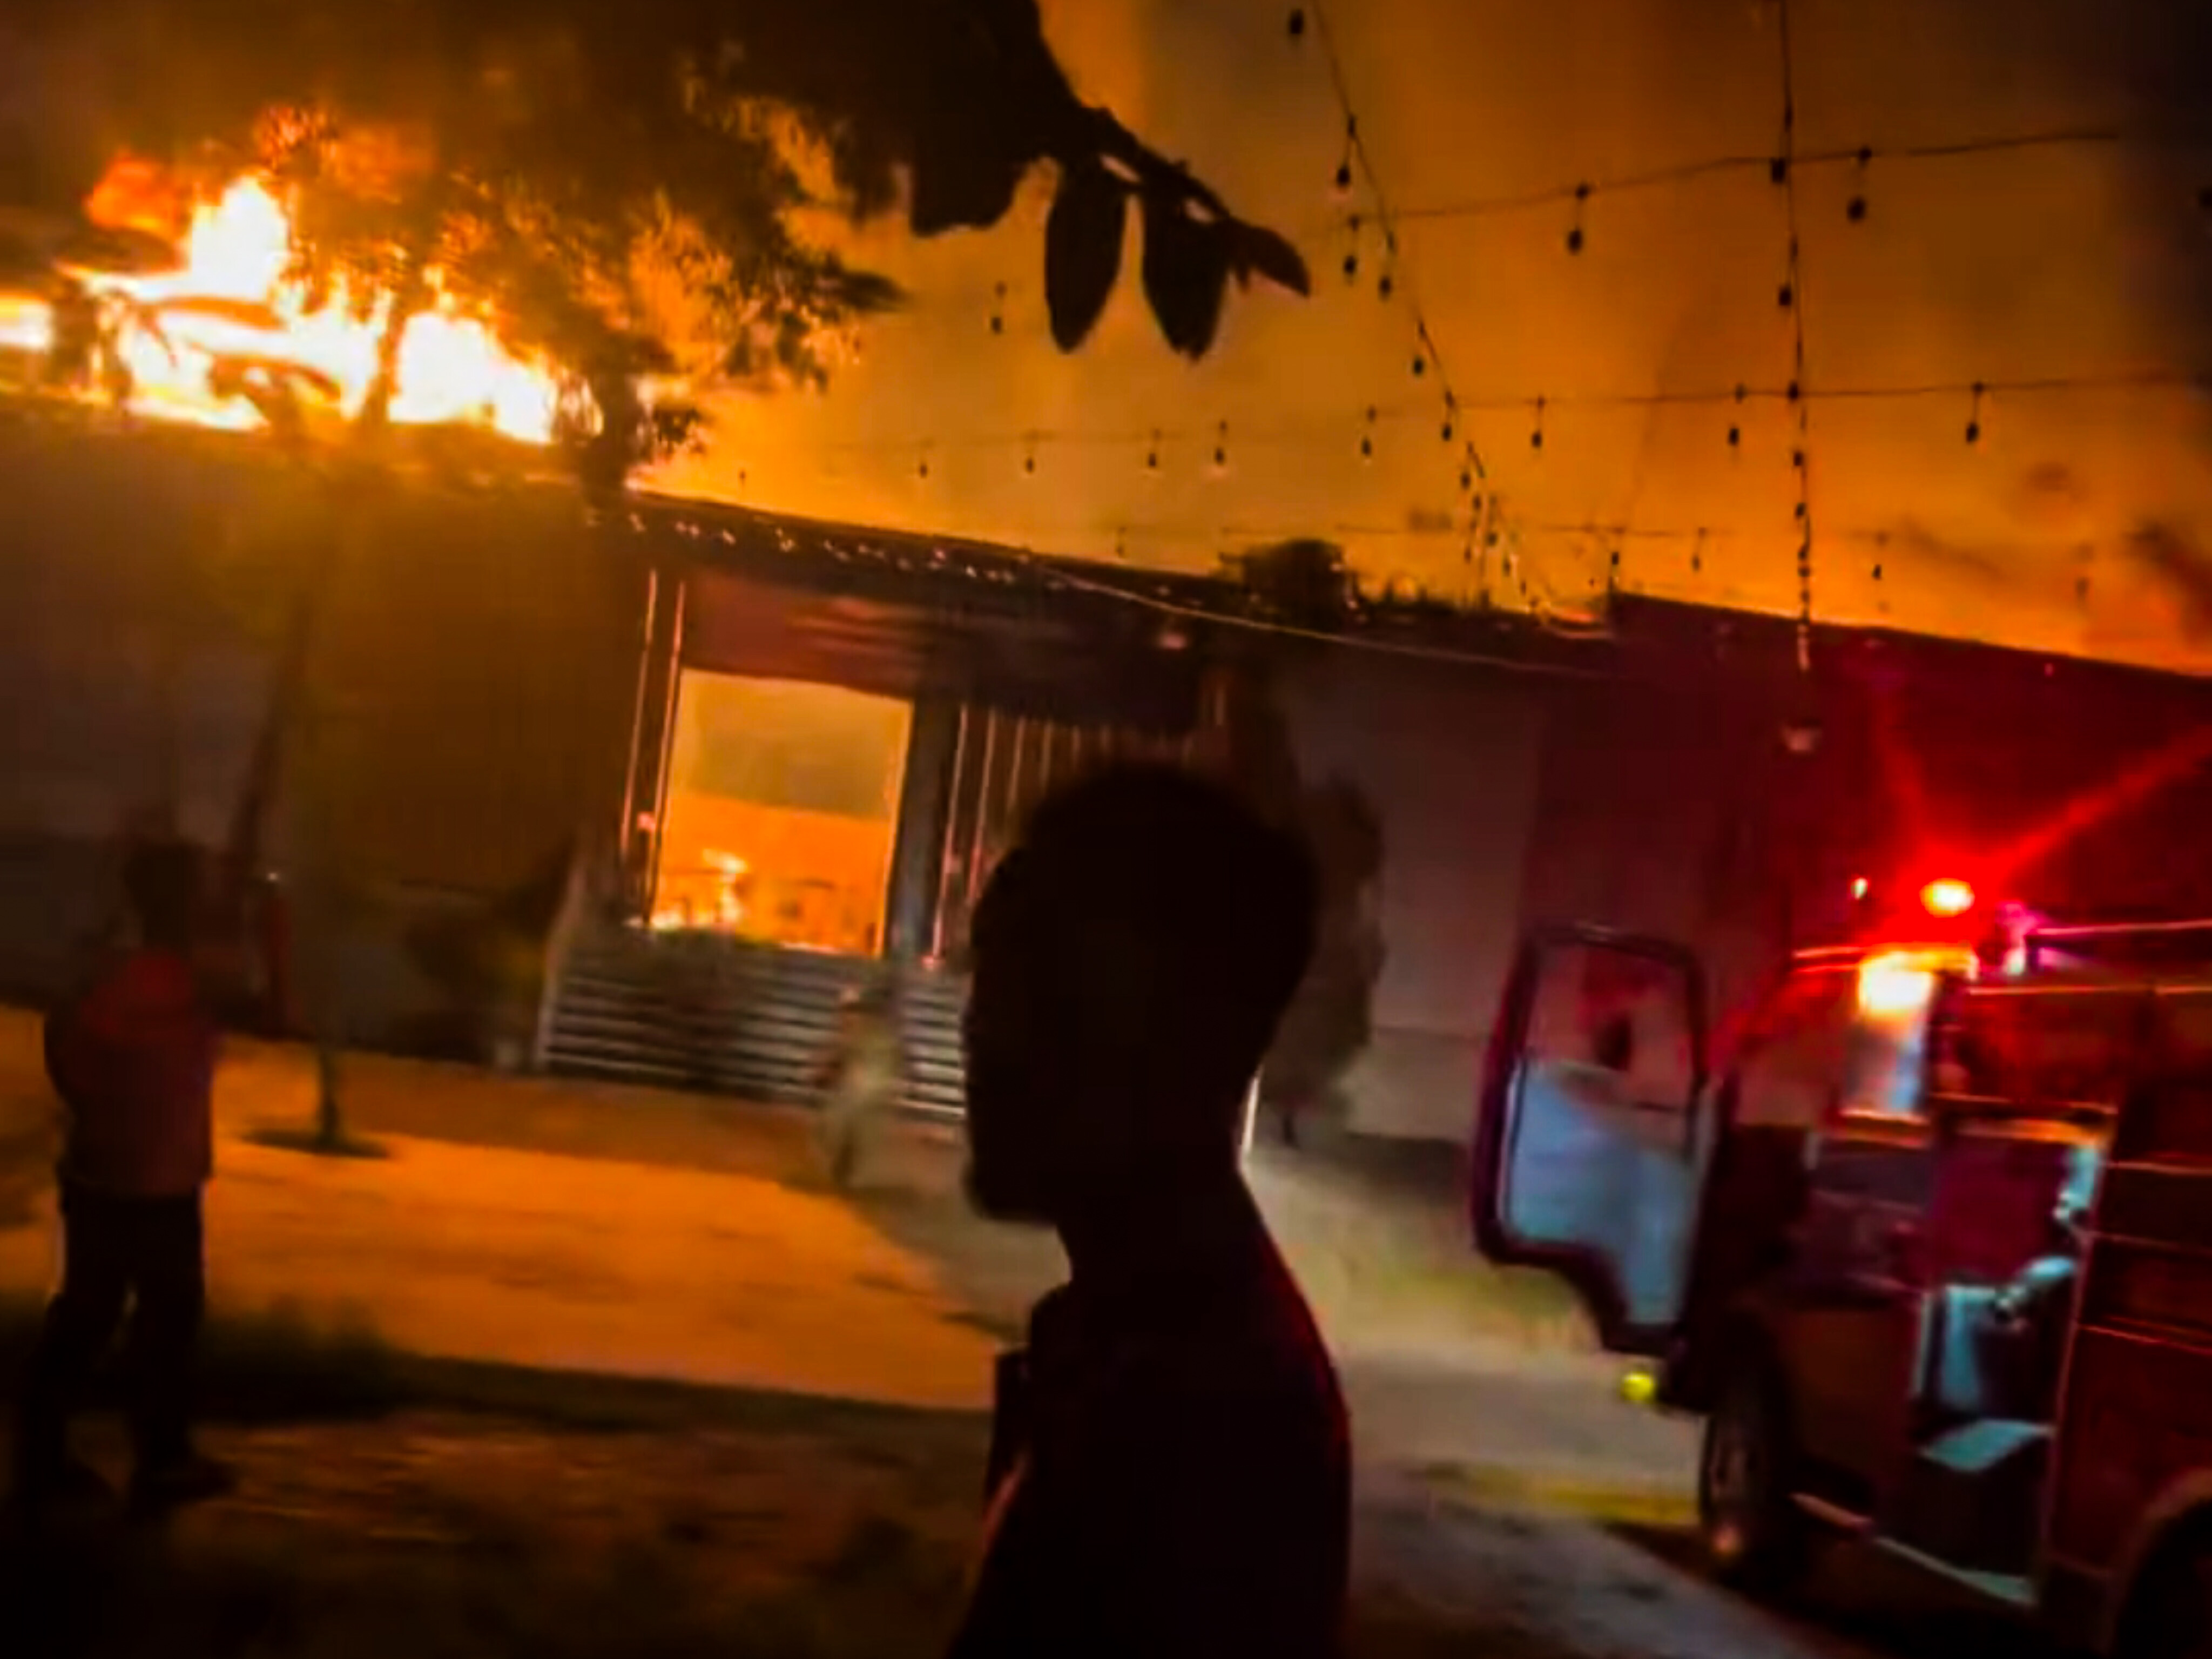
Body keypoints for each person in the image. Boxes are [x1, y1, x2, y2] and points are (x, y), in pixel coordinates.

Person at [949, 766, 1351, 1659]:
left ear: (1177, 1031)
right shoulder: (1126, 1346)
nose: (978, 1032)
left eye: (1031, 984)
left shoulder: (1204, 1424)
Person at [14, 838, 236, 1513]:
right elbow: (277, 1010)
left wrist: (88, 1101)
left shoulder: (106, 974)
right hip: (164, 1181)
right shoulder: (201, 980)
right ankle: (161, 1456)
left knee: (85, 1315)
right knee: (166, 1321)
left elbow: (59, 1035)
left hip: (101, 1170)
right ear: (188, 902)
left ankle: (41, 1457)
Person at [815, 970, 903, 1189]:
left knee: (838, 1129)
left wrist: (825, 1072)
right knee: (849, 1132)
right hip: (869, 1090)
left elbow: (839, 1054)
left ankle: (842, 1169)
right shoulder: (881, 1033)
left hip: (859, 1089)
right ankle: (844, 1169)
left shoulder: (862, 1031)